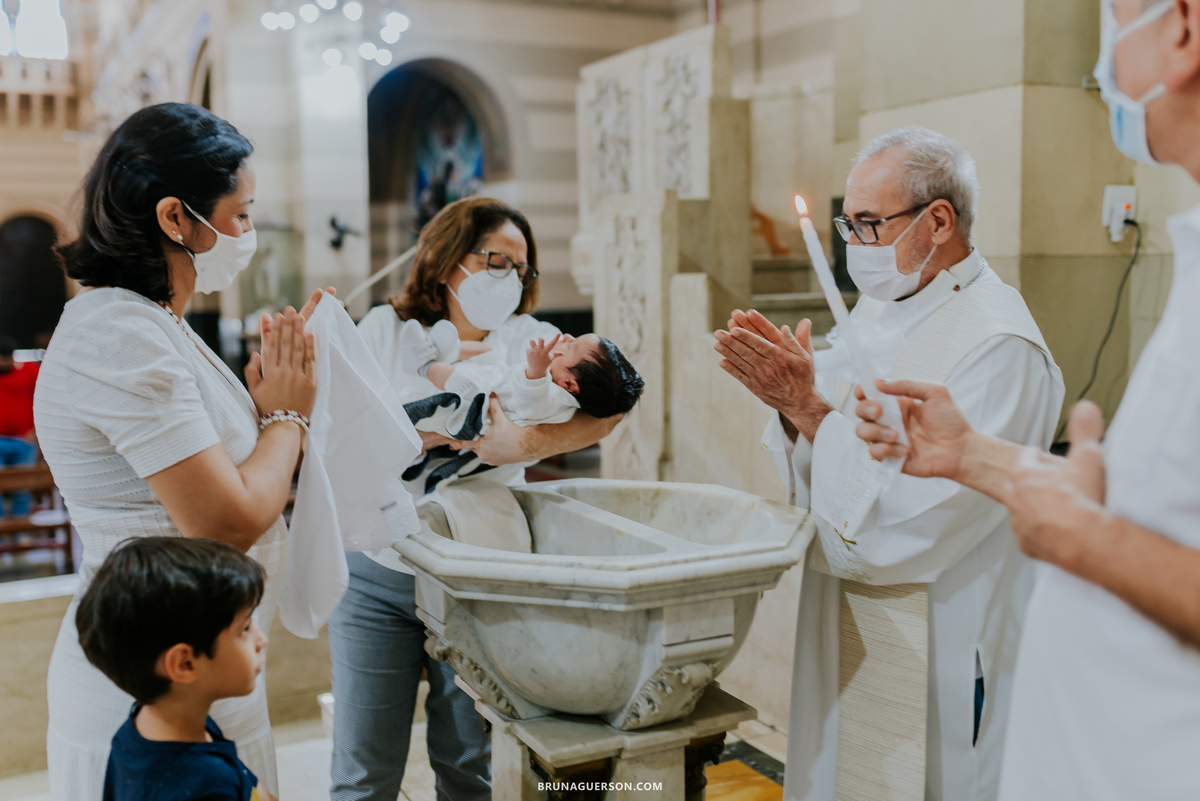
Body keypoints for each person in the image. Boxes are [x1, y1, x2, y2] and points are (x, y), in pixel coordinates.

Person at [854, 2, 1200, 797]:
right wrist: (973, 454)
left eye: (1116, 14)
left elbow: (1104, 542)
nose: (1102, 47)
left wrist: (1088, 540)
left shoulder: (997, 332)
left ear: (1181, 29)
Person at [713, 127, 1064, 801]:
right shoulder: (882, 307)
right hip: (846, 623)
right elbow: (826, 435)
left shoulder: (1000, 344)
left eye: (870, 224)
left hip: (943, 640)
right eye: (848, 223)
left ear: (938, 221)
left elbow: (915, 529)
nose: (854, 247)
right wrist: (791, 409)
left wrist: (811, 411)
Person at [34, 102, 331, 801]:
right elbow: (223, 520)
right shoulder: (119, 334)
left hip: (204, 664)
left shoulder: (151, 321)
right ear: (176, 218)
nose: (249, 232)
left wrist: (262, 413)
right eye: (243, 212)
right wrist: (288, 413)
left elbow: (209, 468)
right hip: (150, 684)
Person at [330, 196, 620, 801]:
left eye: (521, 267)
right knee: (364, 769)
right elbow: (341, 432)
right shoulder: (385, 330)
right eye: (497, 260)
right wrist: (456, 434)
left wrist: (516, 440)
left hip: (475, 568)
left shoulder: (535, 340)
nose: (510, 277)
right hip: (374, 565)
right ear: (447, 260)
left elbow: (605, 415)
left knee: (469, 761)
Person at [76, 537, 275, 801]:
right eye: (245, 629)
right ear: (185, 664)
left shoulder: (137, 732)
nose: (262, 640)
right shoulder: (209, 784)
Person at [399, 321, 643, 437]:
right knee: (487, 352)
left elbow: (531, 406)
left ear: (569, 384)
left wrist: (536, 371)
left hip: (481, 395)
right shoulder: (560, 390)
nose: (567, 335)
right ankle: (447, 350)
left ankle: (424, 365)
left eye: (571, 346)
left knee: (462, 379)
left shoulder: (556, 401)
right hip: (499, 376)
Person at [0, 336, 40, 517]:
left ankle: (21, 534)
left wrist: (36, 430)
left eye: (5, 358)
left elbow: (42, 401)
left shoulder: (29, 371)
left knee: (22, 489)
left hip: (23, 439)